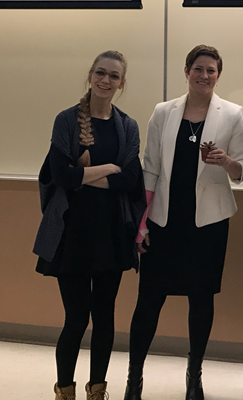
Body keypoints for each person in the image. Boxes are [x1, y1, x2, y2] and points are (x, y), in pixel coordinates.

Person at [123, 44, 243, 400]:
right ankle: (135, 379)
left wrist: (226, 161)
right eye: (198, 68)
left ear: (218, 75)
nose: (204, 75)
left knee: (201, 301)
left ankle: (194, 376)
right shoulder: (164, 112)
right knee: (148, 301)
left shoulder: (232, 114)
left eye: (211, 70)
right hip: (163, 221)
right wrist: (141, 224)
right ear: (186, 71)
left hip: (208, 224)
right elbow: (149, 169)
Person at [34, 51, 146, 400]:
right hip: (73, 233)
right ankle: (64, 390)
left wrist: (85, 174)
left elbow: (131, 180)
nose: (106, 80)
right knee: (77, 317)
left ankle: (97, 389)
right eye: (101, 73)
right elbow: (62, 177)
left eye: (114, 76)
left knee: (105, 316)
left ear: (121, 83)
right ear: (90, 75)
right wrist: (106, 169)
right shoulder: (66, 121)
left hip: (111, 232)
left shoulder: (127, 126)